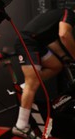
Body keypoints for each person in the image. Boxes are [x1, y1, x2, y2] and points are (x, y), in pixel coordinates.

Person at [11, 8, 75, 139]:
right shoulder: (69, 13)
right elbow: (64, 35)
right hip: (27, 42)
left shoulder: (55, 20)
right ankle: (21, 126)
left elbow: (53, 43)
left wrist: (65, 57)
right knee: (32, 82)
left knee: (56, 66)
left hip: (38, 43)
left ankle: (27, 87)